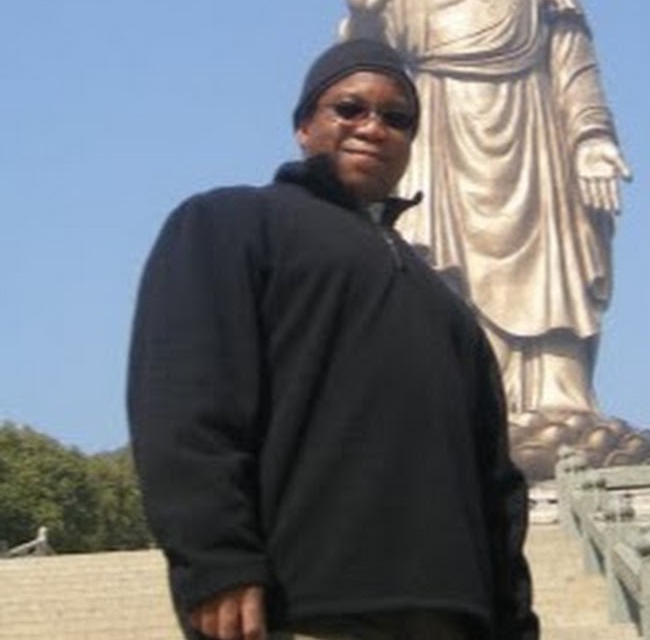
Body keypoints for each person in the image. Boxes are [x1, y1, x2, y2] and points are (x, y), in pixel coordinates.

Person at [127, 39, 538, 640]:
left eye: (397, 118)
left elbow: (495, 482)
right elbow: (184, 398)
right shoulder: (230, 222)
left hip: (452, 618)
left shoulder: (446, 305)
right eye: (349, 108)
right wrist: (216, 560)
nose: (373, 127)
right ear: (303, 126)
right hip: (303, 609)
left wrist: (515, 623)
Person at [339, 0, 632, 432]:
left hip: (534, 141)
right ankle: (458, 404)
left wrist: (593, 141)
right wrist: (367, 12)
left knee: (552, 268)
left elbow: (575, 68)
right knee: (438, 278)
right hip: (437, 139)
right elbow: (361, 81)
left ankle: (558, 403)